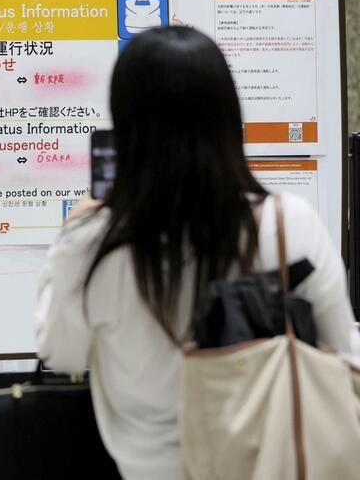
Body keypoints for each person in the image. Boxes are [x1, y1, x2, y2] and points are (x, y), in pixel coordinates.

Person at [34, 26, 360, 480]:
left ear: (127, 128)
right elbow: (342, 353)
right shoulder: (288, 224)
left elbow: (62, 355)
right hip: (272, 463)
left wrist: (71, 232)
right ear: (228, 118)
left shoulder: (94, 244)